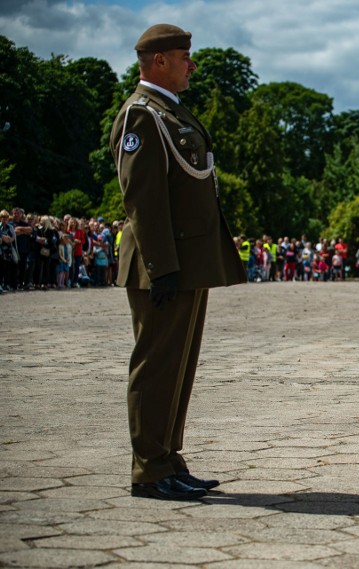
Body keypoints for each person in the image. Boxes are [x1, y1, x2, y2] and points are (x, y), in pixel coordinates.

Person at [109, 24, 246, 501]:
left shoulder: (169, 111)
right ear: (159, 61)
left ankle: (166, 457)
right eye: (184, 56)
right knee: (156, 365)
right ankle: (147, 468)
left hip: (184, 262)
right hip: (162, 265)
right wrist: (161, 265)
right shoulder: (142, 116)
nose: (192, 64)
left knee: (179, 366)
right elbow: (142, 200)